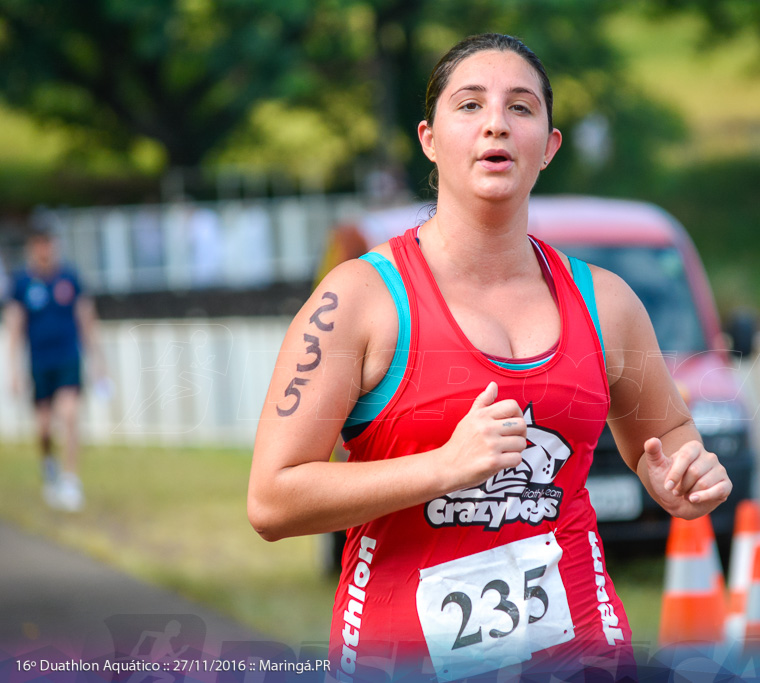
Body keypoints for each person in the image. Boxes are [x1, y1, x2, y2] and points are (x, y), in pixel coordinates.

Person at [248, 33, 731, 681]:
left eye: (521, 108)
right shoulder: (359, 300)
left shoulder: (606, 304)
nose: (496, 123)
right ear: (429, 138)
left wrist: (680, 482)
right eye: (469, 105)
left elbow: (668, 435)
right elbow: (274, 500)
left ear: (549, 147)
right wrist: (443, 466)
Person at [4, 228, 104, 512]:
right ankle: (49, 464)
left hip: (68, 358)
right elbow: (14, 328)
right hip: (39, 362)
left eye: (49, 244)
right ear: (32, 248)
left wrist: (98, 361)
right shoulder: (22, 283)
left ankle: (71, 480)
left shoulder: (69, 278)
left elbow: (87, 319)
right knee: (44, 427)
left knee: (70, 415)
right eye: (40, 245)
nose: (45, 251)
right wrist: (12, 370)